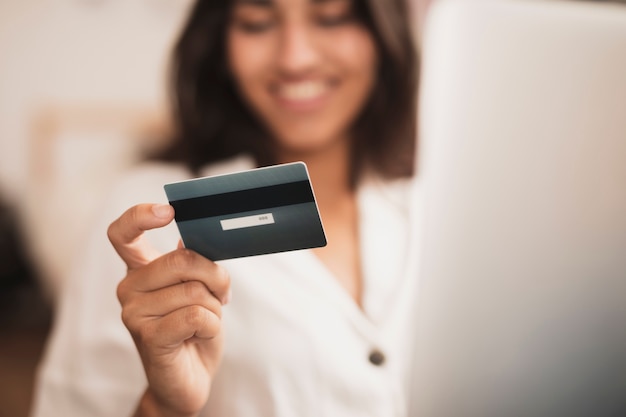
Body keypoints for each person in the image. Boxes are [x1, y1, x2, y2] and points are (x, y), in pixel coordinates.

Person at [31, 0, 419, 416]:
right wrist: (162, 406)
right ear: (220, 41)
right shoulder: (149, 213)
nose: (295, 58)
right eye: (257, 24)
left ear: (385, 32)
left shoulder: (431, 203)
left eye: (332, 17)